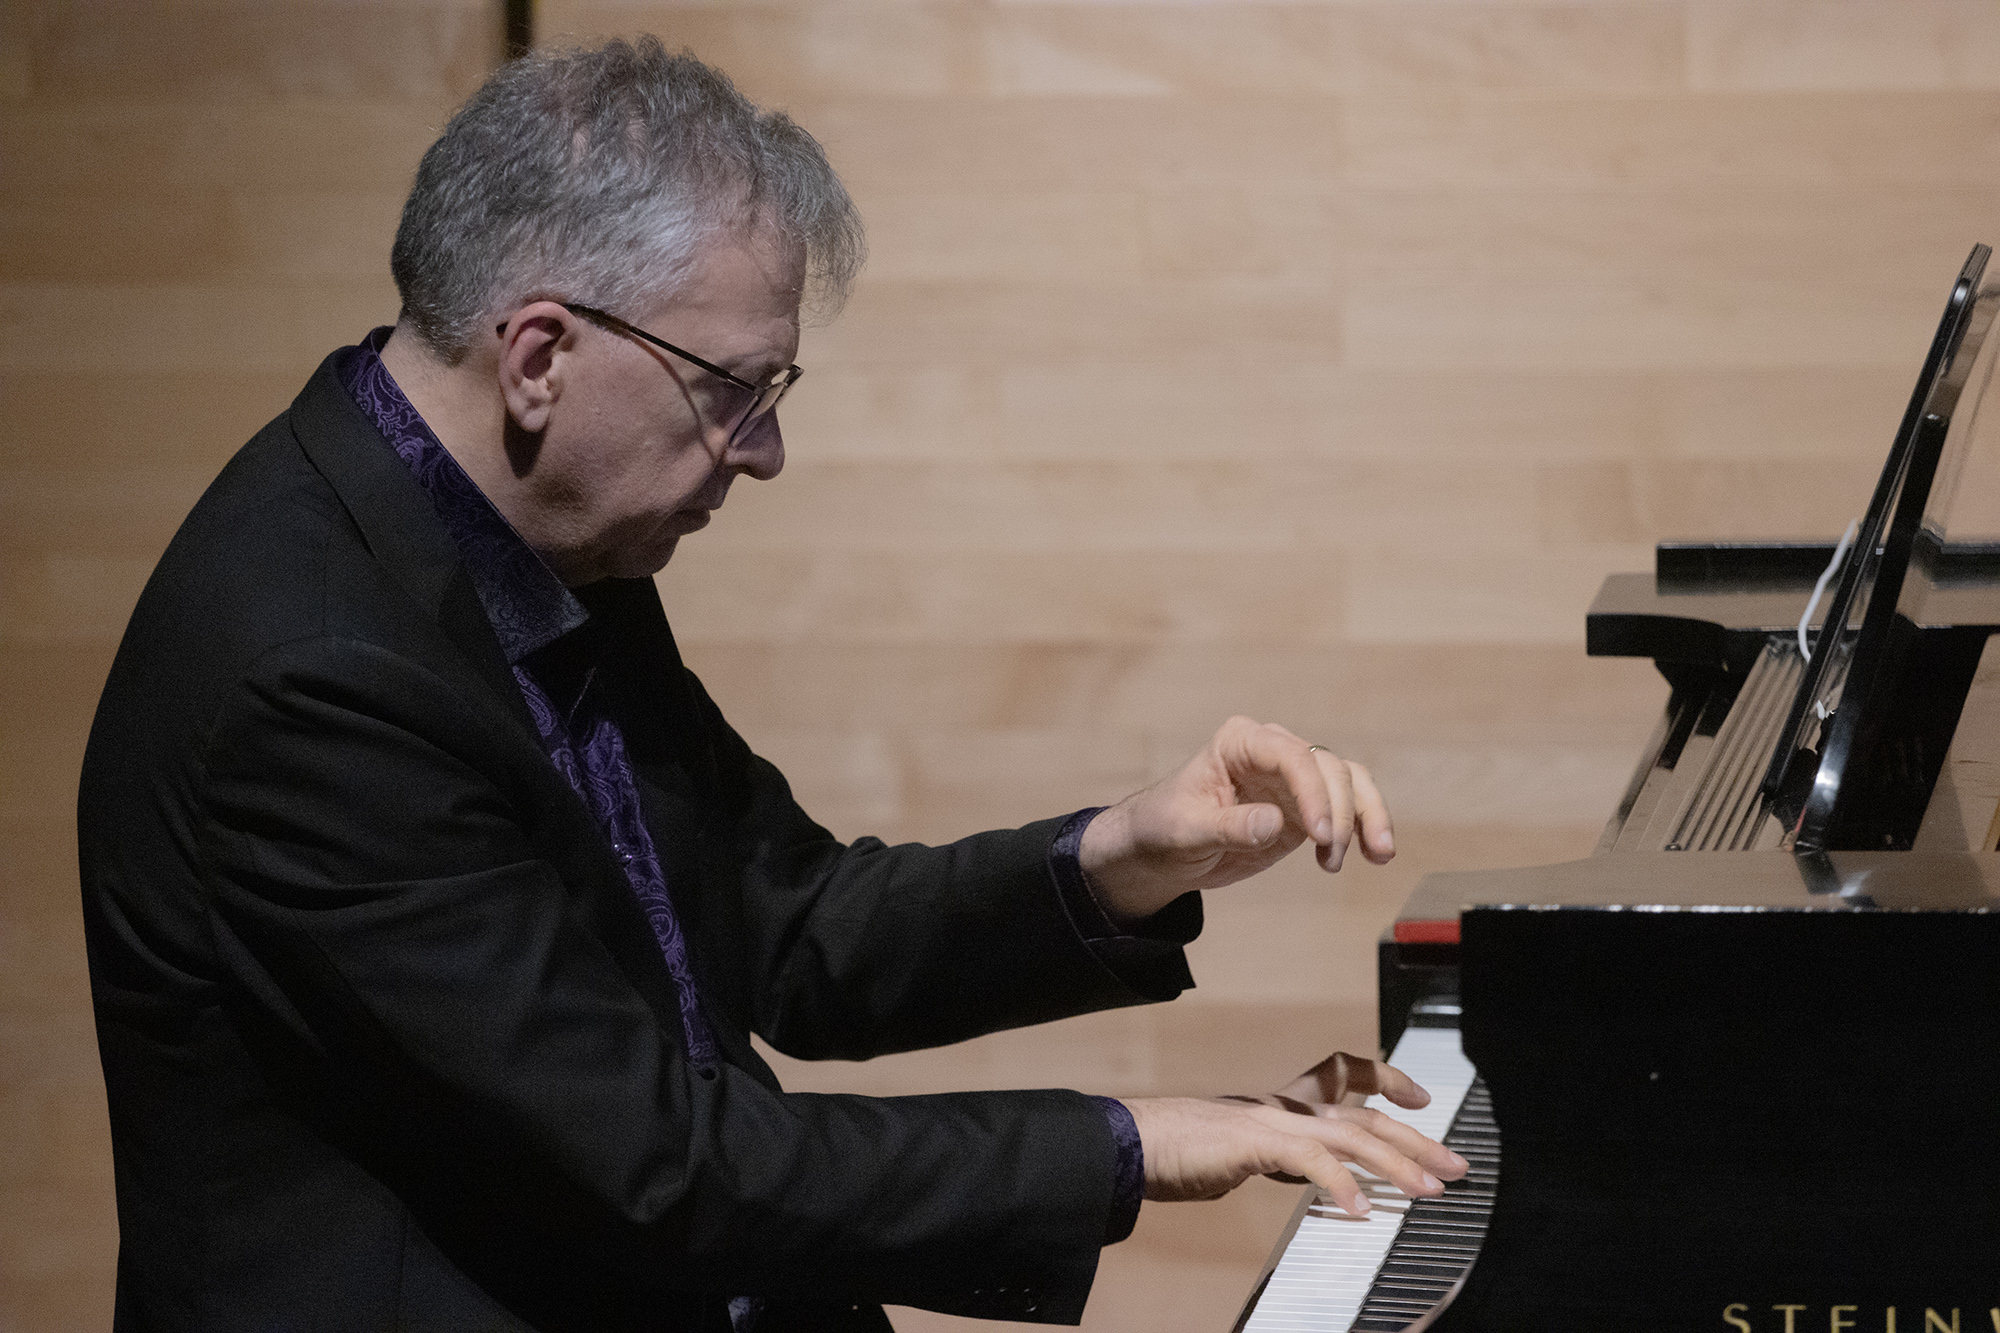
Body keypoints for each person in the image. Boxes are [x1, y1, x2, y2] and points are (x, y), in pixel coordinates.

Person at [76, 38, 1465, 1333]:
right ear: (543, 356)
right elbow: (652, 1161)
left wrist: (1122, 857)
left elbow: (780, 921)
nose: (765, 450)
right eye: (732, 388)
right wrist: (1134, 1138)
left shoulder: (530, 544)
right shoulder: (314, 676)